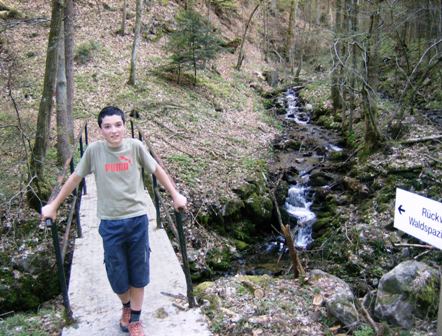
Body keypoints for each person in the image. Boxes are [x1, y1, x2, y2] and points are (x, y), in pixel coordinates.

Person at [41, 106, 187, 336]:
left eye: (118, 125)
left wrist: (175, 195)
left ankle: (136, 319)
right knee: (117, 276)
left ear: (124, 126)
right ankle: (126, 306)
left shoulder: (135, 147)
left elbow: (157, 170)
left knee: (139, 272)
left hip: (137, 219)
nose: (113, 130)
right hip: (110, 223)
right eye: (107, 126)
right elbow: (75, 177)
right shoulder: (94, 151)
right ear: (100, 130)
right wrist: (54, 205)